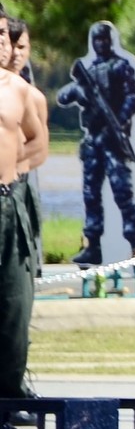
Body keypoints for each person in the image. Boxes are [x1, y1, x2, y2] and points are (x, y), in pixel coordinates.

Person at [56, 20, 135, 266]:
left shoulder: (121, 66)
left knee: (124, 194)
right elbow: (63, 97)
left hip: (114, 140)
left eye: (105, 39)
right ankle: (92, 246)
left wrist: (117, 122)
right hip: (94, 140)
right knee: (91, 194)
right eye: (98, 39)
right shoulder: (88, 72)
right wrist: (79, 92)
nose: (102, 44)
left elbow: (132, 97)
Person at [0, 3, 50, 429]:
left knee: (13, 314)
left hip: (7, 208)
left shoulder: (17, 90)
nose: (1, 43)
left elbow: (39, 141)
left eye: (3, 34)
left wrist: (13, 169)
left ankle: (5, 413)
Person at [4, 18, 48, 277]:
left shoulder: (33, 97)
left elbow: (40, 148)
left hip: (19, 187)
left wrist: (12, 163)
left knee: (21, 266)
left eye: (23, 46)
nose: (16, 53)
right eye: (12, 45)